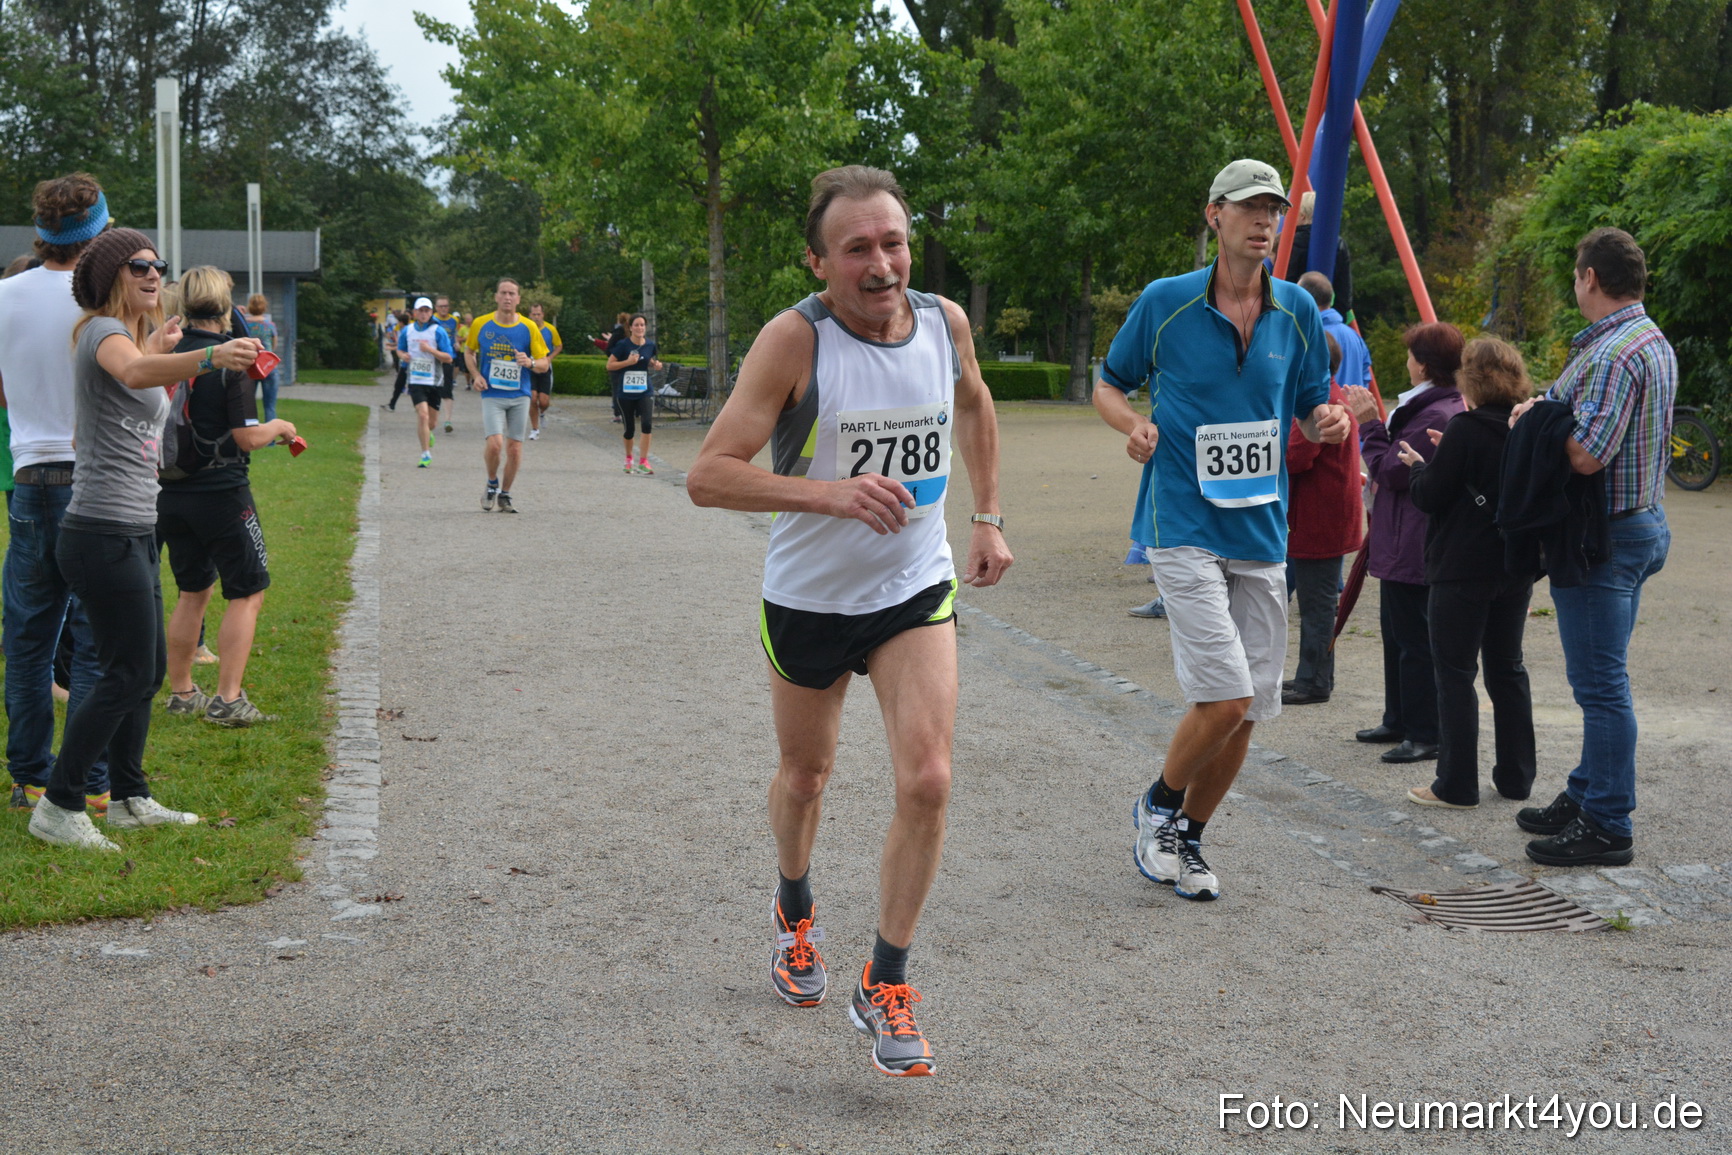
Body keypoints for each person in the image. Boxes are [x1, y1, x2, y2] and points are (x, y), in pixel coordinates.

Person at [686, 165, 1012, 1077]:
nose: (882, 264)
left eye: (894, 241)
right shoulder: (795, 341)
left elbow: (976, 401)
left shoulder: (946, 324)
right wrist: (828, 493)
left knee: (930, 777)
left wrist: (987, 514)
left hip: (914, 590)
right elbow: (708, 474)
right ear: (820, 259)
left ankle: (887, 980)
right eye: (858, 248)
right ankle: (795, 911)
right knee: (806, 773)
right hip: (811, 599)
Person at [1094, 158, 1349, 902]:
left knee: (1247, 715)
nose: (1266, 222)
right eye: (1250, 208)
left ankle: (1189, 837)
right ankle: (1158, 803)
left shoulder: (1298, 310)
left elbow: (1309, 409)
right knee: (1228, 695)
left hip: (1263, 530)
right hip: (1182, 521)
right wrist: (1133, 425)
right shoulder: (1165, 302)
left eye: (1275, 210)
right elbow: (1109, 382)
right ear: (1215, 216)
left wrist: (1326, 421)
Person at [28, 228, 260, 851]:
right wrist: (207, 357)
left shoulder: (133, 339)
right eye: (138, 265)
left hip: (132, 524)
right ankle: (59, 803)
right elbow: (131, 374)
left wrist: (162, 349)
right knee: (126, 672)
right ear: (111, 276)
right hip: (101, 531)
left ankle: (129, 798)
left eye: (159, 265)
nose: (154, 274)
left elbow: (120, 406)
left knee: (147, 668)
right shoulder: (103, 333)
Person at [1509, 228, 1676, 866]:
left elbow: (1584, 455)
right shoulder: (1649, 339)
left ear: (1589, 279)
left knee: (1601, 686)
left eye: (1576, 275)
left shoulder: (1611, 354)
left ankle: (1608, 822)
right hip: (1639, 524)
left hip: (1602, 539)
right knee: (1603, 680)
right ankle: (1586, 791)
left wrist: (1535, 421)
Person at [0, 173, 111, 815]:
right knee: (97, 637)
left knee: (30, 638)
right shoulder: (103, 302)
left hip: (30, 479)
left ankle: (30, 776)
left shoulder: (5, 295)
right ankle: (91, 778)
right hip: (94, 475)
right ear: (97, 231)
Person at [1396, 336, 1537, 808]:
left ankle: (1456, 784)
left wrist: (1419, 467)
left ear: (1469, 381)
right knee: (1508, 669)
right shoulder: (1526, 427)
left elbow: (1430, 495)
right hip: (1513, 565)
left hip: (1461, 567)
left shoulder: (1465, 427)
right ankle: (1516, 777)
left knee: (1455, 673)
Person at [158, 266, 299, 726]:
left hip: (171, 489)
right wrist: (278, 427)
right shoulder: (230, 359)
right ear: (226, 307)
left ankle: (181, 692)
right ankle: (228, 699)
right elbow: (246, 437)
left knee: (192, 591)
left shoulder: (164, 352)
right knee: (248, 592)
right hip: (222, 492)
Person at [1344, 322, 1465, 764]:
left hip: (1413, 540)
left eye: (1411, 355)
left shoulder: (1436, 412)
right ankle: (1398, 718)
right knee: (1396, 635)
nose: (1406, 362)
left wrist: (1371, 425)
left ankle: (1424, 731)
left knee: (1414, 640)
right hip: (1401, 538)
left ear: (1425, 365)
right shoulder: (1436, 405)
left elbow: (1392, 470)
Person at [1281, 331, 1363, 705]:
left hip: (1317, 521)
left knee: (1316, 606)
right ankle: (1311, 677)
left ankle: (1313, 681)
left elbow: (1295, 457)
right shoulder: (1330, 396)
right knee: (1316, 603)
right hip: (1323, 518)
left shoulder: (1321, 404)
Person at [466, 279, 549, 513]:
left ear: (519, 299)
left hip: (520, 395)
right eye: (503, 293)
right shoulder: (482, 324)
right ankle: (492, 482)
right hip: (492, 393)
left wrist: (530, 362)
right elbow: (469, 351)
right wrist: (475, 375)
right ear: (496, 297)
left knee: (514, 448)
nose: (508, 297)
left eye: (512, 293)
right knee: (495, 444)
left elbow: (544, 363)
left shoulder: (529, 327)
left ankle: (506, 494)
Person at [399, 297, 456, 467]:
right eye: (420, 311)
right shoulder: (407, 331)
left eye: (427, 311)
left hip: (434, 380)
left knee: (431, 422)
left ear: (431, 313)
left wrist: (430, 350)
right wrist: (403, 356)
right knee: (422, 415)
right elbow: (400, 349)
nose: (423, 314)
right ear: (415, 313)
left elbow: (448, 358)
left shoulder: (438, 331)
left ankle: (427, 433)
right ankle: (425, 454)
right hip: (415, 379)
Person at [1280, 190, 1353, 319]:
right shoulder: (1339, 244)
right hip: (1328, 313)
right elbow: (1344, 290)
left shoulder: (1290, 242)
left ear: (1302, 216)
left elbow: (1285, 280)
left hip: (1293, 315)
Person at [607, 314, 662, 474]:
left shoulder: (650, 345)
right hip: (625, 392)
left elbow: (649, 360)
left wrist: (656, 365)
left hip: (645, 390)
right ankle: (629, 458)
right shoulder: (622, 345)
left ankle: (644, 461)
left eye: (642, 325)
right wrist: (628, 363)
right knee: (629, 429)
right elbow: (609, 365)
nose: (640, 328)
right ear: (630, 328)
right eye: (636, 325)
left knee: (647, 424)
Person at [1296, 271, 1369, 389]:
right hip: (1352, 406)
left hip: (1326, 406)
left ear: (1305, 299)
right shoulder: (1354, 336)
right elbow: (1365, 378)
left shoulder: (1312, 336)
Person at [527, 303, 562, 440]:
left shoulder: (550, 329)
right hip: (530, 367)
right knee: (532, 398)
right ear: (530, 315)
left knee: (543, 401)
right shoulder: (526, 328)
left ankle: (542, 412)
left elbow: (559, 346)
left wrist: (549, 358)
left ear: (543, 315)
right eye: (534, 314)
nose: (536, 317)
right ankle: (535, 429)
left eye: (538, 314)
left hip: (545, 367)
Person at [243, 294, 280, 422]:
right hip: (268, 366)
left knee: (247, 403)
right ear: (265, 307)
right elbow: (274, 345)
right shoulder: (270, 325)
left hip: (249, 365)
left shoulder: (244, 325)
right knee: (270, 405)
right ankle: (270, 439)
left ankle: (250, 430)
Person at [433, 296, 460, 431]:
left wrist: (457, 343)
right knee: (433, 389)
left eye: (446, 306)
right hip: (433, 359)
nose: (443, 309)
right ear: (436, 308)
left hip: (449, 357)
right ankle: (432, 418)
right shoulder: (432, 320)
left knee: (447, 389)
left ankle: (448, 421)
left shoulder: (453, 320)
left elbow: (454, 335)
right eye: (441, 306)